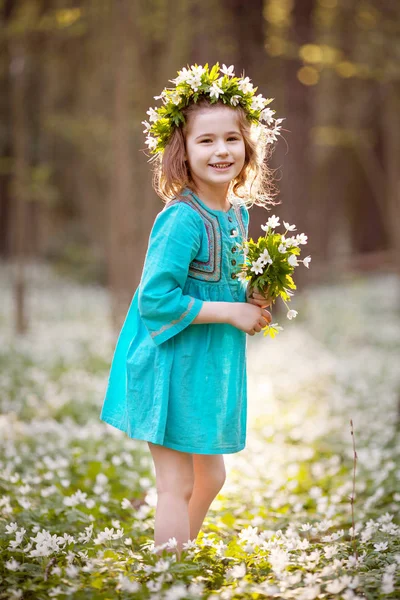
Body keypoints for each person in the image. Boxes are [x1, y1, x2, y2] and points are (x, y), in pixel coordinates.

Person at [99, 62, 283, 560]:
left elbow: (226, 281)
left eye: (231, 139)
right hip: (166, 363)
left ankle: (171, 559)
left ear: (249, 147)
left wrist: (251, 299)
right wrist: (228, 312)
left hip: (206, 368)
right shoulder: (181, 219)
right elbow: (155, 300)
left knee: (213, 474)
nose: (221, 151)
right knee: (176, 482)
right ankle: (168, 573)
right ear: (182, 151)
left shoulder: (238, 214)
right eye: (206, 141)